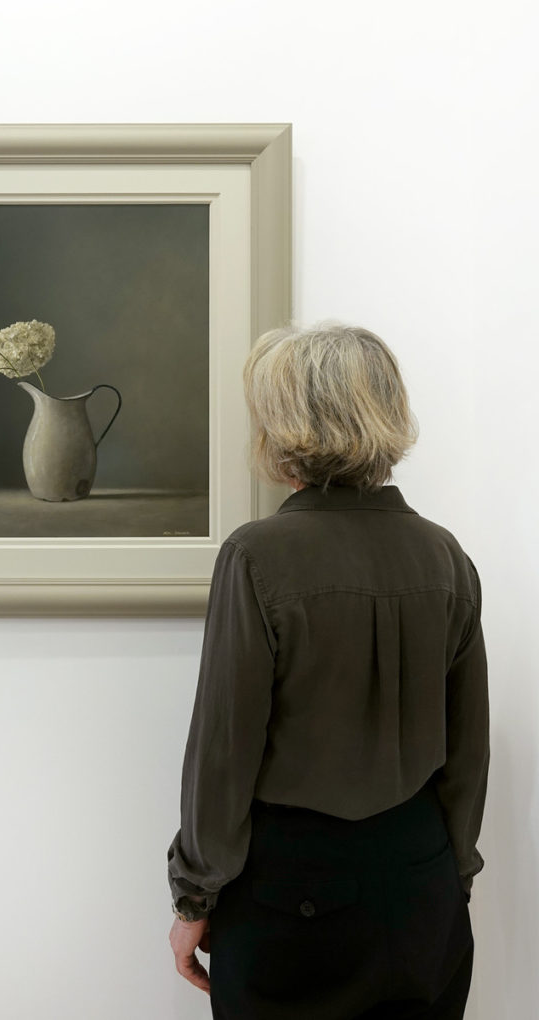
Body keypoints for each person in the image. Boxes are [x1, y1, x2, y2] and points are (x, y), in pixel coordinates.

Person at [167, 323, 488, 1019]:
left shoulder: (257, 557)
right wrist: (449, 879)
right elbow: (467, 755)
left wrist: (195, 896)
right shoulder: (446, 557)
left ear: (286, 428)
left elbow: (224, 753)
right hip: (420, 880)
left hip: (292, 889)